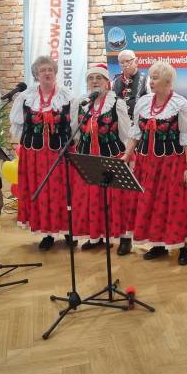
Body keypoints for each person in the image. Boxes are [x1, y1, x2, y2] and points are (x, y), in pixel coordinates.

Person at [121, 61, 187, 265]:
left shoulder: (180, 104)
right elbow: (136, 132)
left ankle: (183, 246)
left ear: (168, 82)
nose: (151, 82)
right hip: (147, 163)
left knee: (175, 204)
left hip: (171, 163)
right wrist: (127, 155)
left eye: (155, 78)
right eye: (151, 78)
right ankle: (158, 244)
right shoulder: (143, 102)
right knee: (152, 203)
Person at [9, 56, 74, 250]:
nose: (47, 73)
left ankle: (68, 230)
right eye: (42, 70)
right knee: (41, 191)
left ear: (55, 73)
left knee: (62, 191)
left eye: (50, 70)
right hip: (34, 155)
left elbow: (74, 126)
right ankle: (47, 234)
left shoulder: (67, 97)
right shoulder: (25, 97)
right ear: (36, 75)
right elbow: (18, 126)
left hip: (60, 154)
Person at [71, 64, 134, 255]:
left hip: (111, 157)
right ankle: (96, 237)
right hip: (88, 159)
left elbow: (126, 134)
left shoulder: (117, 103)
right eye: (91, 78)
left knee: (117, 201)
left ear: (107, 82)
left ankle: (124, 238)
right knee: (93, 199)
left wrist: (129, 158)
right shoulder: (81, 103)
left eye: (99, 78)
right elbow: (76, 133)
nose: (95, 81)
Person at [112, 50, 148, 118]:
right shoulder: (115, 82)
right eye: (122, 62)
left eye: (127, 61)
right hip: (120, 123)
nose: (125, 65)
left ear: (136, 61)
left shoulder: (147, 80)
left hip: (140, 122)